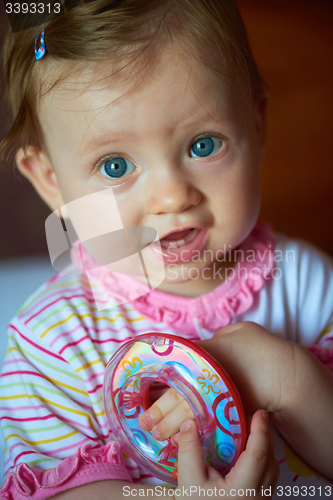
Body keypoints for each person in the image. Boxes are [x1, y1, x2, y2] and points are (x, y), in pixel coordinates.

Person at [0, 0, 332, 498]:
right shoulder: (52, 342)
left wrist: (286, 378)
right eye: (115, 166)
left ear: (257, 127)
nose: (173, 195)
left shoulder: (308, 283)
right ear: (52, 182)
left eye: (203, 145)